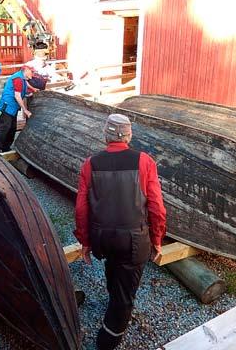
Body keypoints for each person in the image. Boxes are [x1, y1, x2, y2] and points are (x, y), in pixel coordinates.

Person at [74, 114, 166, 350]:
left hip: (102, 239)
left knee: (112, 266)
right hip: (134, 240)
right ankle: (108, 340)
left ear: (106, 135)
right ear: (129, 135)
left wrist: (85, 241)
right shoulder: (145, 162)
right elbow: (156, 207)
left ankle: (114, 300)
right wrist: (156, 240)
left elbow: (81, 208)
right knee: (126, 294)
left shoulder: (90, 163)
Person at [0, 65, 35, 153]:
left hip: (13, 107)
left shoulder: (23, 78)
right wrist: (25, 110)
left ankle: (5, 148)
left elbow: (22, 90)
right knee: (5, 127)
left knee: (12, 128)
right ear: (26, 70)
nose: (33, 74)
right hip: (8, 105)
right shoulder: (18, 78)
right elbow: (17, 95)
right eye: (32, 71)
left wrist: (28, 94)